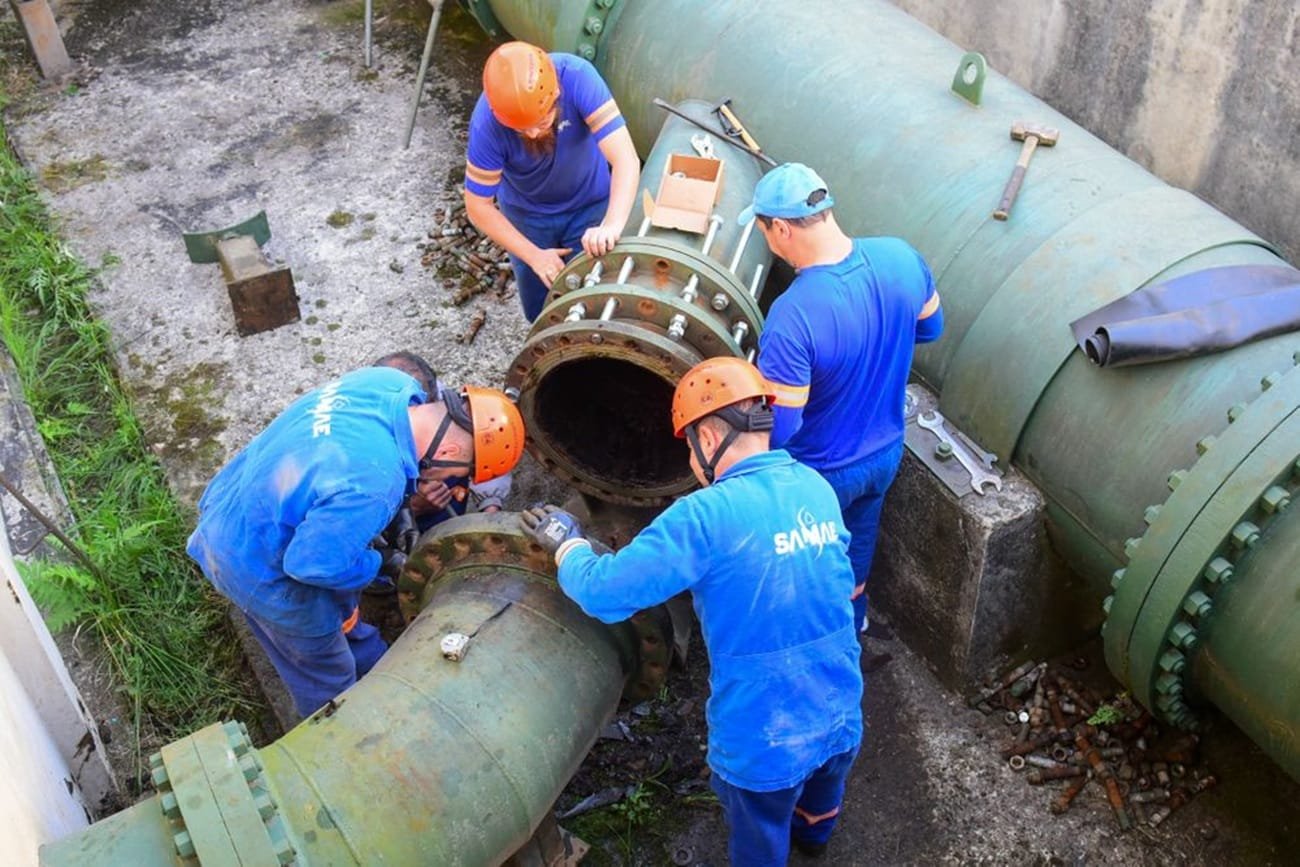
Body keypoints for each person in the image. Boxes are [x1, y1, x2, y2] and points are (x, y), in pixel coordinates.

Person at [521, 357, 862, 865]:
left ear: (706, 438)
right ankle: (814, 842)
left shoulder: (702, 516)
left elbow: (605, 594)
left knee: (760, 831)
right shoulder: (813, 486)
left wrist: (567, 546)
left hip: (763, 739)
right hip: (841, 709)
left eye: (688, 446)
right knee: (820, 794)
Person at [187, 366, 525, 717]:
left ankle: (362, 650)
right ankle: (335, 740)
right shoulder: (374, 483)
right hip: (255, 564)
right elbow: (312, 566)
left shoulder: (386, 384)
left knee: (343, 593)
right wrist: (382, 564)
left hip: (235, 501)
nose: (455, 482)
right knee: (328, 676)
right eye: (462, 474)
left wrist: (402, 510)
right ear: (453, 448)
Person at [742, 162, 944, 637]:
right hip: (885, 452)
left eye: (763, 231)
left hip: (820, 471)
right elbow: (931, 328)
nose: (766, 241)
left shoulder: (792, 317)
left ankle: (804, 640)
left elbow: (783, 430)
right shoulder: (901, 258)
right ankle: (852, 628)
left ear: (783, 229)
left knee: (801, 564)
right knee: (855, 557)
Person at [462, 40, 640, 322]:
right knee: (543, 311)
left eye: (541, 122)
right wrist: (534, 256)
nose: (532, 133)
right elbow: (477, 206)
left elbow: (625, 159)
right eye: (521, 128)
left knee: (598, 300)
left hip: (591, 203)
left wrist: (612, 224)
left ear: (556, 94)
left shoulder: (578, 77)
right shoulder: (486, 124)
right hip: (527, 218)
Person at [373, 351, 511, 529]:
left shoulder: (426, 394)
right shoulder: (360, 461)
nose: (421, 416)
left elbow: (488, 441)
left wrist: (491, 505)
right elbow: (357, 535)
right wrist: (411, 508)